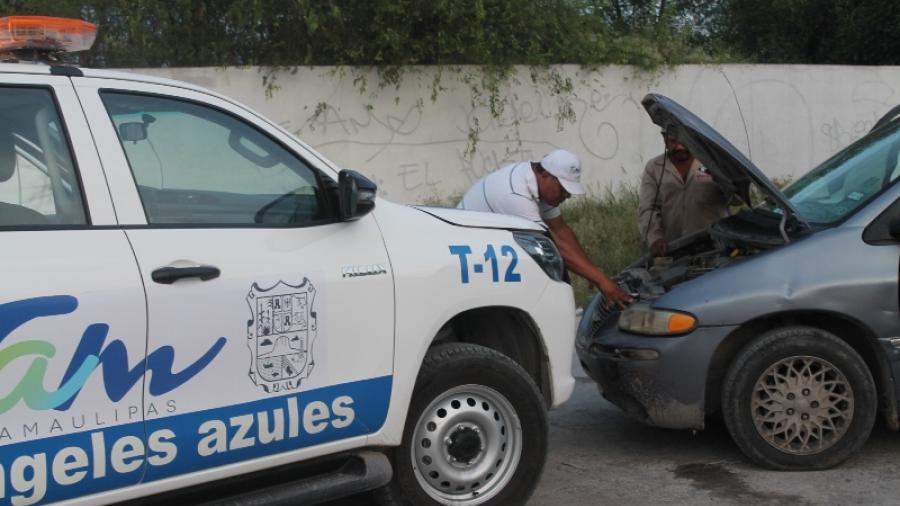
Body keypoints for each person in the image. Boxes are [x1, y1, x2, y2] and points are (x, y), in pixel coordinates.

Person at [458, 149, 633, 308]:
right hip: (466, 256)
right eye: (564, 189)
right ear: (546, 175)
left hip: (491, 249)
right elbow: (550, 246)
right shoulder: (515, 194)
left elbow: (561, 230)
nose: (568, 195)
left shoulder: (539, 186)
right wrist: (601, 280)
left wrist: (593, 272)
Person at [639, 132, 731, 257]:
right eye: (673, 141)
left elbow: (736, 199)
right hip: (673, 250)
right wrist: (655, 238)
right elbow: (648, 207)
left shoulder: (713, 162)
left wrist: (729, 181)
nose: (679, 147)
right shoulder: (654, 168)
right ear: (664, 139)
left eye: (684, 141)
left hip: (715, 247)